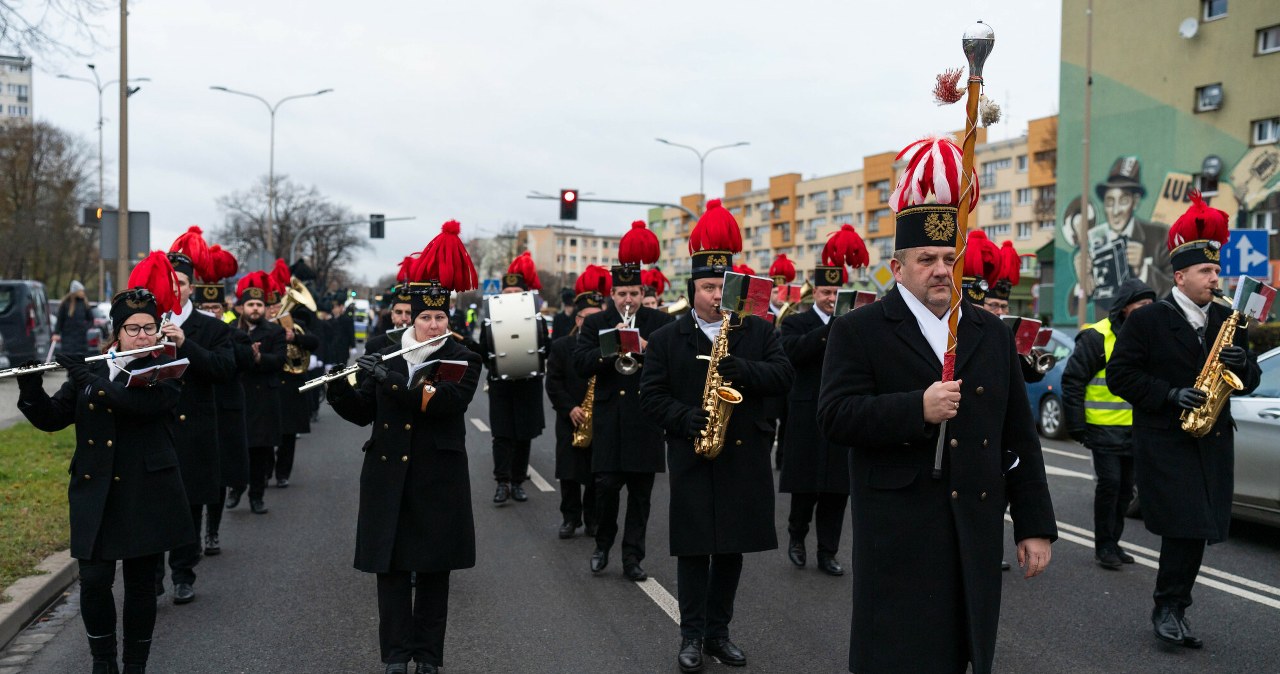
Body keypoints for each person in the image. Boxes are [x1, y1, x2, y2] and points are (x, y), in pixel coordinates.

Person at [816, 136, 1056, 674]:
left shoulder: (990, 333)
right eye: (926, 259)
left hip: (973, 525)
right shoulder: (861, 330)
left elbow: (1019, 434)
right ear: (898, 268)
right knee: (898, 656)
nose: (942, 269)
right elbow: (834, 416)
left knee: (961, 653)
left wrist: (1034, 524)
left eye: (950, 258)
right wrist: (915, 409)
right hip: (898, 533)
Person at [17, 252, 194, 674]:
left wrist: (86, 378)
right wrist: (30, 387)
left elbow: (133, 404)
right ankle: (103, 662)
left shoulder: (166, 368)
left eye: (149, 328)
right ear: (116, 332)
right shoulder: (99, 367)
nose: (141, 335)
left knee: (138, 585)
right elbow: (53, 419)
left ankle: (134, 664)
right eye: (133, 329)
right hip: (96, 490)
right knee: (95, 582)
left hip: (145, 490)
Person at [640, 200, 793, 672]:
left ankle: (718, 634)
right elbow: (651, 394)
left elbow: (784, 375)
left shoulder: (757, 331)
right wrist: (688, 421)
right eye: (707, 287)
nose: (714, 296)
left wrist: (741, 369)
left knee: (730, 551)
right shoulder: (668, 338)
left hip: (742, 456)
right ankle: (690, 636)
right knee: (693, 549)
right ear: (693, 290)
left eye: (722, 288)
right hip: (693, 452)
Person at [326, 222, 482, 674]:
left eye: (441, 319)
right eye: (425, 319)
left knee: (434, 573)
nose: (434, 325)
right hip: (387, 471)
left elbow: (446, 404)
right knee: (390, 570)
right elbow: (362, 412)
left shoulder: (461, 356)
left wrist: (390, 381)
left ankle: (429, 657)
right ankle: (396, 655)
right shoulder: (382, 348)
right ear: (409, 319)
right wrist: (338, 388)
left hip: (438, 475)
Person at [1107, 192, 1260, 649]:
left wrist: (1242, 363)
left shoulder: (1229, 319)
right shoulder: (1149, 320)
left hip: (1212, 440)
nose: (1216, 278)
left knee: (1198, 530)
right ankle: (1169, 608)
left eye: (1217, 270)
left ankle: (1173, 606)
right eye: (1207, 272)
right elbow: (1121, 376)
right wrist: (1170, 394)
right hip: (1168, 440)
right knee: (1184, 526)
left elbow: (1247, 378)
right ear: (1180, 276)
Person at [573, 221, 673, 581]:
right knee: (606, 488)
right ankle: (602, 545)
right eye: (621, 294)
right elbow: (581, 364)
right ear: (611, 295)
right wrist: (609, 344)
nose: (627, 300)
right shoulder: (596, 323)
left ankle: (633, 558)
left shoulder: (659, 322)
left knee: (642, 496)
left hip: (645, 417)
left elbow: (671, 367)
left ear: (642, 290)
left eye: (633, 293)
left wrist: (647, 349)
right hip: (609, 416)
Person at [778, 226, 866, 577]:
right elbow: (793, 354)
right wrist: (831, 327)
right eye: (826, 291)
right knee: (805, 489)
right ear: (814, 291)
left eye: (836, 291)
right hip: (806, 414)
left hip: (842, 414)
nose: (831, 297)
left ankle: (827, 552)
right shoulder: (795, 323)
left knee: (836, 492)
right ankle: (796, 537)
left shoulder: (854, 324)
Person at [152, 237, 236, 604]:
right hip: (155, 426)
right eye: (169, 283)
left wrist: (186, 343)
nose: (175, 289)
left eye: (181, 284)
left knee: (189, 506)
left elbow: (223, 369)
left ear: (191, 288)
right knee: (153, 506)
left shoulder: (212, 328)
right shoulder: (143, 323)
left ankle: (183, 574)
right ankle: (152, 576)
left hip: (195, 428)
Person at [1062, 278, 1154, 569]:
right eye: (1141, 307)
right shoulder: (1097, 337)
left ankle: (1114, 542)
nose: (1146, 312)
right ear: (1125, 309)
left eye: (1150, 307)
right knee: (1110, 485)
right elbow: (1073, 381)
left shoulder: (1148, 337)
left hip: (1136, 429)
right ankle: (1104, 546)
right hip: (1101, 427)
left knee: (1127, 489)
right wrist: (1077, 425)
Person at [190, 244, 247, 557]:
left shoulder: (232, 330)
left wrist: (226, 331)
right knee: (198, 475)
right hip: (199, 408)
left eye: (216, 308)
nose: (212, 313)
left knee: (220, 474)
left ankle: (212, 531)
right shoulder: (192, 330)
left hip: (224, 408)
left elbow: (240, 362)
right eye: (206, 309)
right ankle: (195, 535)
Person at [546, 266, 610, 539]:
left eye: (597, 317)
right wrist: (569, 408)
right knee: (570, 472)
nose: (591, 323)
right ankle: (570, 518)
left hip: (601, 417)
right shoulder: (562, 346)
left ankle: (592, 519)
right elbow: (553, 382)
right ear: (577, 317)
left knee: (597, 473)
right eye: (586, 317)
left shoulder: (609, 346)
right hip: (571, 416)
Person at [480, 252, 548, 505]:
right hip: (501, 384)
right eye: (506, 293)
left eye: (516, 293)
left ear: (525, 295)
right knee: (502, 435)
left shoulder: (537, 320)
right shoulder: (491, 320)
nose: (510, 297)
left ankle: (518, 482)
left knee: (523, 436)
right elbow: (484, 351)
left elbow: (545, 349)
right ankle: (502, 483)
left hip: (528, 384)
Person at [227, 271, 287, 515]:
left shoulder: (274, 331)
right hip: (239, 393)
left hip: (263, 398)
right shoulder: (230, 329)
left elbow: (280, 360)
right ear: (241, 307)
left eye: (259, 305)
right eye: (250, 304)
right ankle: (236, 487)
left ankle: (256, 496)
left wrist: (259, 357)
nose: (255, 308)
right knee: (238, 446)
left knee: (261, 450)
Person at [266, 260, 322, 489]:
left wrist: (294, 338)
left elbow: (314, 341)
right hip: (270, 385)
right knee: (267, 435)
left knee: (288, 436)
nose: (272, 310)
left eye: (274, 305)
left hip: (290, 385)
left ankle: (282, 474)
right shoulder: (261, 327)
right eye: (268, 306)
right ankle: (266, 470)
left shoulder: (295, 323)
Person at [54, 279, 93, 357]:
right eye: (81, 291)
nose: (83, 293)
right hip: (68, 341)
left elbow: (91, 320)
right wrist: (56, 333)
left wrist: (85, 328)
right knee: (69, 360)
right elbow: (60, 320)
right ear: (76, 292)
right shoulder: (65, 304)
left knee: (81, 361)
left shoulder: (84, 303)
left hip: (81, 340)